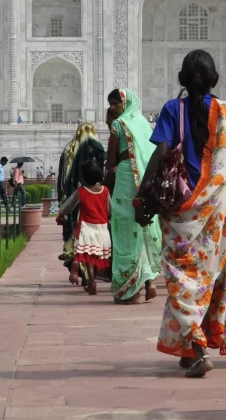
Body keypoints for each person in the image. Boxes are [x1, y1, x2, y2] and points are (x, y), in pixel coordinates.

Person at [135, 49, 226, 379]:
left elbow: (161, 152)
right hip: (217, 215)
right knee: (206, 280)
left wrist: (144, 195)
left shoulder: (173, 108)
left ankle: (197, 350)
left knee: (181, 281)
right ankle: (189, 348)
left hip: (179, 210)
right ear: (215, 80)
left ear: (183, 79)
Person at [105, 88, 161, 305]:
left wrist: (104, 181)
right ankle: (149, 282)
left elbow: (111, 163)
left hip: (126, 178)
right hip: (145, 182)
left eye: (115, 104)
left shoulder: (118, 125)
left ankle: (130, 290)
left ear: (124, 104)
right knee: (142, 228)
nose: (112, 108)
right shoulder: (144, 124)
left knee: (125, 230)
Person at [55, 159, 112, 294]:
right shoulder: (105, 190)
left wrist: (61, 214)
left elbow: (68, 205)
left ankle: (91, 281)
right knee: (96, 255)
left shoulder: (82, 191)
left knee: (88, 257)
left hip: (87, 227)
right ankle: (92, 280)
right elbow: (110, 209)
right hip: (102, 228)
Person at [59, 124, 106, 284]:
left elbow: (63, 178)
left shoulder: (70, 148)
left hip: (76, 195)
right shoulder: (98, 147)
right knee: (93, 250)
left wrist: (62, 208)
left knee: (79, 243)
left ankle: (76, 268)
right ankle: (90, 275)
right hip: (99, 218)